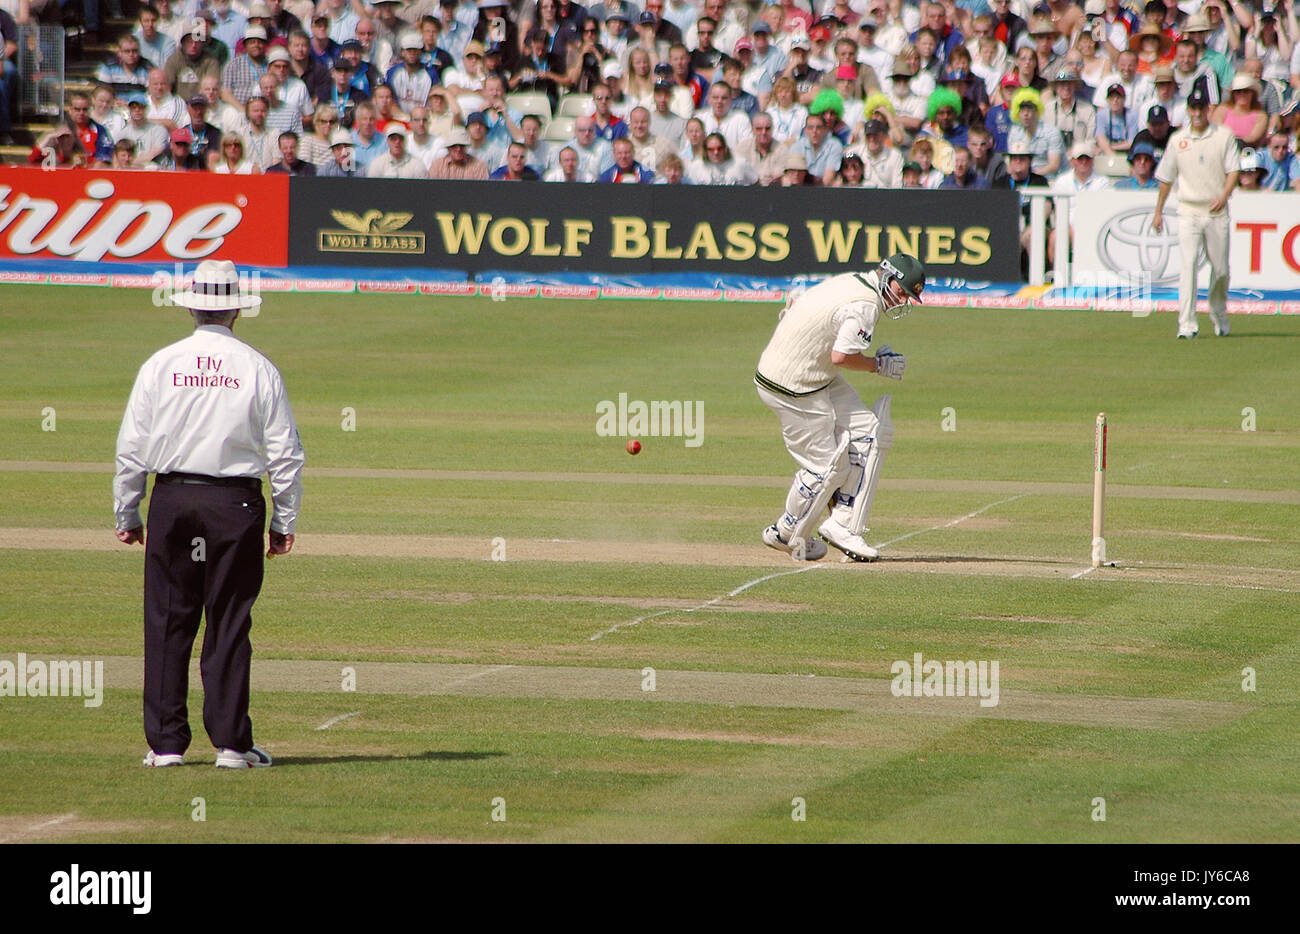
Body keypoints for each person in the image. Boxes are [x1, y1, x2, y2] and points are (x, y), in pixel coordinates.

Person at [115, 259, 304, 770]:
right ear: (237, 308)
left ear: (193, 305)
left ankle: (167, 745)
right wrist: (284, 522)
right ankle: (231, 745)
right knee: (228, 620)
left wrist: (127, 509)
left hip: (174, 500)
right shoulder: (257, 366)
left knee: (169, 619)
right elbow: (285, 453)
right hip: (234, 504)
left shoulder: (162, 363)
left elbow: (132, 448)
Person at [754, 253, 925, 563]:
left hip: (813, 376)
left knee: (871, 432)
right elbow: (840, 356)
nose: (902, 301)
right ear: (888, 278)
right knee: (828, 468)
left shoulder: (852, 281)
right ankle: (784, 533)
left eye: (908, 297)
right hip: (792, 386)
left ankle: (842, 523)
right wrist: (879, 365)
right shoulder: (867, 305)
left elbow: (801, 303)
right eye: (902, 292)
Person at [1153, 87, 1238, 339]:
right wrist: (1158, 211)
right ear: (1188, 110)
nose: (1198, 113)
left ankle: (1217, 310)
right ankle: (1186, 324)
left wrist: (1223, 196)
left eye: (1202, 108)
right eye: (1194, 108)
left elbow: (1233, 170)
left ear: (1208, 109)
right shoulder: (1178, 140)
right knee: (1188, 265)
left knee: (1221, 269)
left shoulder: (1223, 136)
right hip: (1188, 209)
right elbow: (1166, 178)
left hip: (1216, 210)